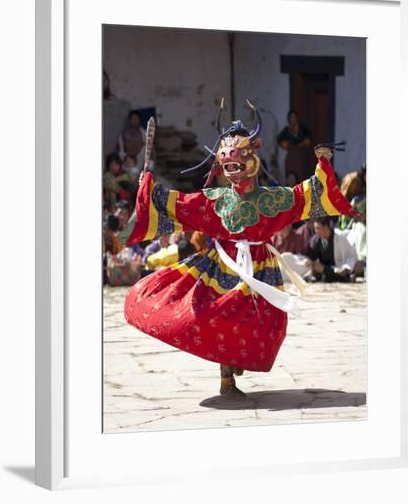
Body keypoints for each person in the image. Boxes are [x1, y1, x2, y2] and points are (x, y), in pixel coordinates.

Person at [120, 100, 358, 398]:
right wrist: (149, 189)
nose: (232, 167)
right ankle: (226, 378)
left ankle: (236, 361)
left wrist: (323, 164)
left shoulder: (272, 199)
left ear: (252, 160)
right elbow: (178, 205)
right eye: (228, 161)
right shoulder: (215, 199)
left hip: (261, 269)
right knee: (218, 314)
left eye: (239, 159)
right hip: (223, 265)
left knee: (267, 323)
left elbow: (306, 195)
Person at [306, 217, 361, 282]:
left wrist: (346, 267)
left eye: (318, 228)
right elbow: (312, 257)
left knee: (358, 266)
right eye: (315, 229)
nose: (316, 231)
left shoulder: (340, 237)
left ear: (326, 227)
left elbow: (351, 256)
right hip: (324, 270)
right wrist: (309, 261)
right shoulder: (315, 240)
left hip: (339, 268)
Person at [277, 110, 315, 182]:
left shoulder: (303, 128)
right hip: (291, 156)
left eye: (294, 117)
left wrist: (304, 143)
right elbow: (279, 140)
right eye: (291, 117)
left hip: (301, 156)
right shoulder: (286, 130)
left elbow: (309, 138)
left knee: (301, 175)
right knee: (290, 175)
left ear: (297, 118)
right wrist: (286, 145)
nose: (292, 119)